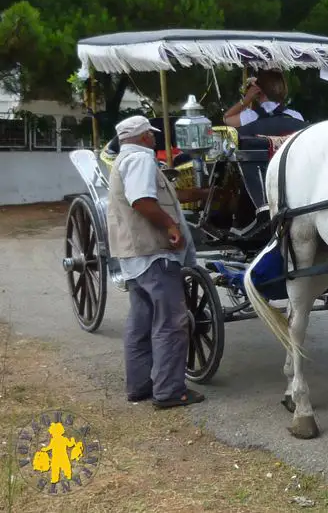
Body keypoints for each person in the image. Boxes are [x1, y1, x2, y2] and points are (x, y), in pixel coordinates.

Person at [106, 114, 209, 409]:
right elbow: (142, 200)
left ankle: (139, 386)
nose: (154, 138)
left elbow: (157, 196)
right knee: (171, 323)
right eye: (150, 134)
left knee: (141, 321)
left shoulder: (125, 161)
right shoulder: (139, 160)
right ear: (142, 137)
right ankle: (169, 391)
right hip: (154, 255)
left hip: (136, 256)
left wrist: (200, 193)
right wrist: (171, 226)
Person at [222, 70, 304, 129]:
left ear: (258, 91)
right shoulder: (296, 116)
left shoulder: (250, 117)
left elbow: (226, 119)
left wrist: (246, 100)